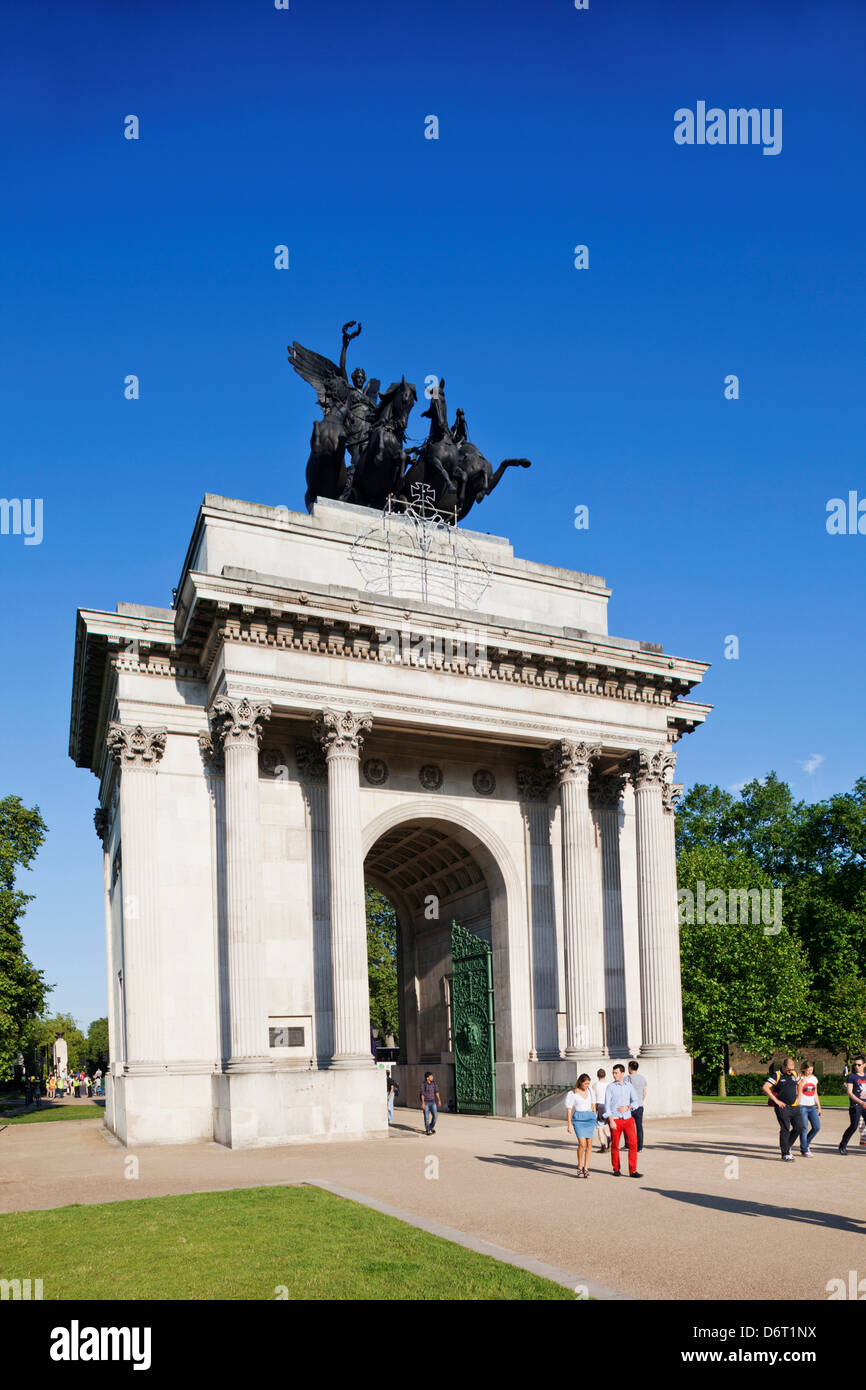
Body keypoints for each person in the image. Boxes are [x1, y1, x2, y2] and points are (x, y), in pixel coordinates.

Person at [603, 1063, 642, 1178]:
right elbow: (607, 1105)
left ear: (622, 1073)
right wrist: (611, 1120)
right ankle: (616, 1169)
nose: (614, 1075)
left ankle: (633, 1170)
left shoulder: (629, 1086)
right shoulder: (610, 1087)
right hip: (615, 1119)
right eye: (613, 1073)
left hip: (628, 1118)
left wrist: (628, 1107)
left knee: (633, 1144)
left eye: (616, 1073)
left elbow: (636, 1101)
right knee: (615, 1145)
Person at [762, 1056, 800, 1160]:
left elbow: (800, 1083)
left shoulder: (794, 1073)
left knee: (799, 1127)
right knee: (785, 1129)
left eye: (792, 1069)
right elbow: (765, 1087)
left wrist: (799, 1097)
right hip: (782, 1107)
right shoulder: (777, 1075)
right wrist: (776, 1101)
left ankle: (787, 1146)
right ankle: (785, 1153)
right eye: (788, 1069)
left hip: (794, 1106)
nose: (790, 1071)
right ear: (783, 1066)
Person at [566, 1074, 598, 1179]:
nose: (587, 1085)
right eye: (585, 1083)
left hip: (590, 1118)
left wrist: (595, 1116)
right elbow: (569, 1109)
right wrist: (569, 1124)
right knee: (582, 1144)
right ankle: (579, 1166)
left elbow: (593, 1105)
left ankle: (586, 1168)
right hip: (579, 1119)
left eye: (588, 1083)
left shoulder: (590, 1091)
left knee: (589, 1144)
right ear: (580, 1082)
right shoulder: (572, 1093)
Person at [838, 1056, 866, 1155]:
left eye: (859, 1065)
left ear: (864, 1065)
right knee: (854, 1126)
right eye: (855, 1065)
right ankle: (842, 1145)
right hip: (856, 1105)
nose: (856, 1066)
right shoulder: (851, 1076)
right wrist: (861, 1102)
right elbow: (850, 1093)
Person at [796, 1062, 821, 1157]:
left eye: (811, 1070)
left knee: (817, 1127)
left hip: (812, 1106)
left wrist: (819, 1106)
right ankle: (804, 1150)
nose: (810, 1072)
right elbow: (797, 1092)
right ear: (804, 1069)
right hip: (802, 1106)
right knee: (804, 1128)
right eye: (808, 1070)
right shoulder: (800, 1079)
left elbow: (815, 1093)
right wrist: (802, 1081)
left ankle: (805, 1144)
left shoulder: (814, 1079)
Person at [628, 1060, 649, 1152]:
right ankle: (640, 1147)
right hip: (640, 1105)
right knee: (639, 1127)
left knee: (629, 1127)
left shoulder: (627, 1078)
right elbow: (644, 1092)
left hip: (630, 1106)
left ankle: (629, 1144)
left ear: (629, 1068)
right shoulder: (642, 1078)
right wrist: (641, 1100)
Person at [594, 1068, 610, 1152]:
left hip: (599, 1106)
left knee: (599, 1127)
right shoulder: (609, 1084)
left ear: (597, 1075)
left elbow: (594, 1097)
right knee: (606, 1125)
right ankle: (609, 1137)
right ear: (605, 1075)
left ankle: (603, 1145)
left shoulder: (595, 1085)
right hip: (607, 1106)